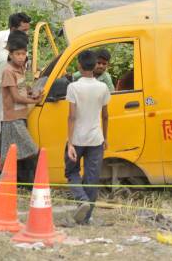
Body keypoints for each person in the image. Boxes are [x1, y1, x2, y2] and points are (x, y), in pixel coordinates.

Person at [0, 13, 32, 177]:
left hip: (13, 108)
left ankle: (1, 172)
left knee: (6, 144)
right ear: (13, 30)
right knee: (1, 139)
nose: (26, 34)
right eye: (23, 31)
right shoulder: (5, 57)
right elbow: (1, 86)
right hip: (6, 107)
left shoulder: (19, 52)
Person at [65, 50, 111, 225]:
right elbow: (105, 116)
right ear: (95, 66)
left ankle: (81, 199)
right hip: (96, 139)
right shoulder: (103, 87)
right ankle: (87, 217)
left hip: (77, 139)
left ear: (79, 65)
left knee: (71, 171)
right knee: (92, 176)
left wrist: (69, 143)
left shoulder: (73, 87)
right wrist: (105, 138)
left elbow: (72, 117)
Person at [0, 34, 41, 186]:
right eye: (18, 54)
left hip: (21, 116)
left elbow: (23, 89)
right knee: (31, 150)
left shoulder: (21, 69)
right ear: (10, 54)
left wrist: (32, 93)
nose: (21, 57)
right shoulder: (8, 71)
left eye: (23, 54)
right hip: (12, 118)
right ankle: (32, 184)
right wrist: (34, 101)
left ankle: (17, 184)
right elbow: (16, 97)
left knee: (15, 154)